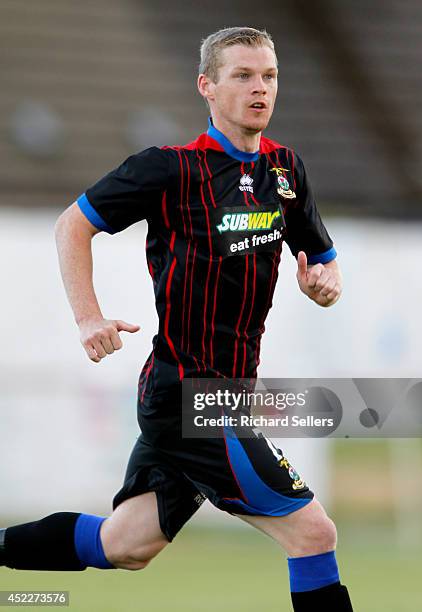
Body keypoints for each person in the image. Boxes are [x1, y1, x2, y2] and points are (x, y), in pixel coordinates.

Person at [0, 27, 353, 611]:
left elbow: (326, 265)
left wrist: (324, 287)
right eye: (242, 76)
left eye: (268, 76)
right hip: (190, 393)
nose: (259, 89)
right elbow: (73, 225)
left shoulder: (285, 171)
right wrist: (88, 317)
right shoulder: (169, 170)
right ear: (207, 87)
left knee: (126, 543)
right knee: (313, 533)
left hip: (230, 392)